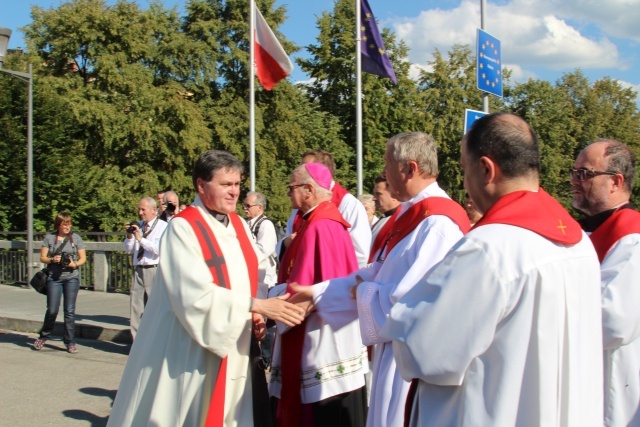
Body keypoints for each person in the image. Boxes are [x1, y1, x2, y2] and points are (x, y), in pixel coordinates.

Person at [382, 113, 604, 426]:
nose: (463, 182)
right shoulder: (579, 243)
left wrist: (403, 314)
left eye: (464, 168)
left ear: (486, 169)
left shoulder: (488, 248)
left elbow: (423, 352)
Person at [107, 150, 305, 427]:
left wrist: (257, 313)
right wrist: (256, 305)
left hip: (236, 338)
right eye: (226, 184)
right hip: (192, 348)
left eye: (237, 184)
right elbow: (193, 294)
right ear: (201, 185)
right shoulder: (183, 227)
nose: (234, 192)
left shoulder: (238, 223)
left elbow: (254, 271)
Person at [291, 132, 470, 427]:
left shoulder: (438, 223)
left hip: (413, 368)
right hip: (394, 357)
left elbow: (418, 305)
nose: (384, 173)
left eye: (388, 165)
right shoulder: (414, 215)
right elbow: (378, 271)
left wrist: (365, 293)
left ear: (410, 168)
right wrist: (318, 293)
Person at [269, 163, 368, 427]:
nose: (289, 193)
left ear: (309, 189)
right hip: (321, 332)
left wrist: (269, 302)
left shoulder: (320, 226)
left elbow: (318, 288)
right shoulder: (319, 220)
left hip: (321, 341)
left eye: (292, 187)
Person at [571, 139, 640, 427]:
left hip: (613, 388)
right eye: (573, 172)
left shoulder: (631, 237)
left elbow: (612, 322)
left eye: (584, 174)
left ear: (616, 182)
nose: (574, 181)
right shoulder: (587, 232)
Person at [279, 149, 372, 267]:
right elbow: (286, 240)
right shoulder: (300, 205)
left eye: (306, 167)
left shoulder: (349, 204)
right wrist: (286, 243)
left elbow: (360, 254)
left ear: (322, 171)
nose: (299, 171)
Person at [33, 211, 86, 354]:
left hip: (71, 278)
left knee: (69, 311)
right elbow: (42, 257)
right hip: (54, 279)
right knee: (52, 310)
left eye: (69, 224)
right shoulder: (50, 238)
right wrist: (52, 260)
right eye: (64, 224)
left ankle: (70, 342)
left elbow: (83, 258)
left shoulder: (76, 239)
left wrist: (74, 264)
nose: (67, 227)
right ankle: (43, 336)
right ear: (59, 225)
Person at [123, 196, 167, 339]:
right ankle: (136, 341)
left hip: (153, 269)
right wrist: (130, 236)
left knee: (154, 308)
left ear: (154, 210)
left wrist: (141, 239)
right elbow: (129, 249)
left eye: (143, 209)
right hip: (139, 269)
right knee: (136, 307)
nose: (140, 212)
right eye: (139, 209)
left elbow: (159, 249)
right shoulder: (139, 226)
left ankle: (154, 341)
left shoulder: (163, 226)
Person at [244, 191, 278, 289]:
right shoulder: (247, 224)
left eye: (248, 205)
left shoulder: (266, 225)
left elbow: (264, 251)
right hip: (251, 281)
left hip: (265, 282)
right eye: (244, 205)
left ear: (259, 207)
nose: (245, 208)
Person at [370, 175, 400, 245]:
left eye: (378, 194)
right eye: (374, 194)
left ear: (394, 195)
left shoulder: (400, 222)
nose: (373, 198)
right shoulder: (383, 219)